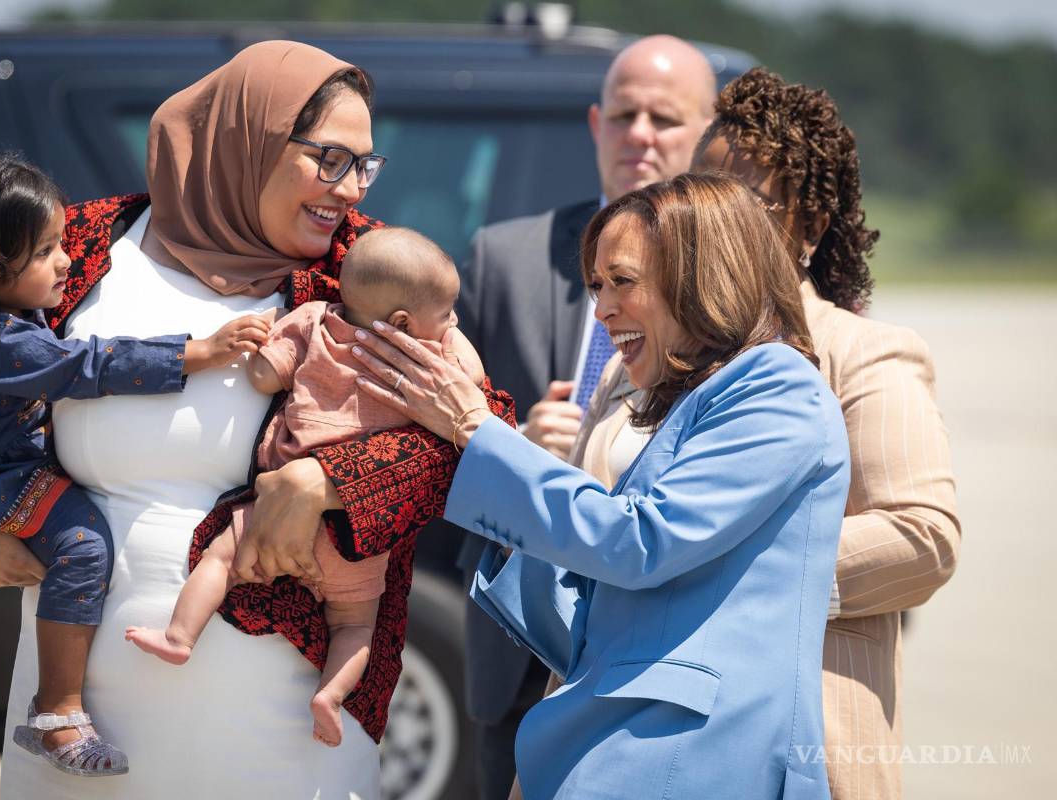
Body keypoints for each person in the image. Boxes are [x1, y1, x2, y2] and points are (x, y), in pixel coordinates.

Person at [0, 41, 511, 799]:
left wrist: (327, 479)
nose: (349, 189)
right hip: (78, 727)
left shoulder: (362, 268)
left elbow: (475, 427)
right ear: (247, 137)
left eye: (364, 165)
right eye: (330, 159)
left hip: (282, 722)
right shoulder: (82, 246)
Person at [349, 172, 850, 798]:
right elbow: (595, 617)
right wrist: (486, 476)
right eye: (595, 286)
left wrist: (478, 432)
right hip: (619, 750)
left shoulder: (777, 386)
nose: (602, 309)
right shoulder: (692, 402)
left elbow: (640, 542)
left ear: (701, 272)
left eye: (623, 282)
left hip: (692, 758)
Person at [0, 152, 272, 778]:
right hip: (1, 482)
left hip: (10, 469)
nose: (66, 260)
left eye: (62, 243)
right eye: (45, 251)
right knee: (82, 546)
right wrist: (198, 353)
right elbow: (86, 365)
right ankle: (58, 714)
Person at [452, 34, 719, 796]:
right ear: (596, 123)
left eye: (664, 118)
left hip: (656, 638)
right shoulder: (504, 257)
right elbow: (437, 436)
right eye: (624, 114)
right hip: (515, 636)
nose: (640, 134)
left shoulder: (730, 282)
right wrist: (514, 449)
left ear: (707, 131)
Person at [689, 67, 960, 800]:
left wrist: (714, 569)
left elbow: (923, 537)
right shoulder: (643, 361)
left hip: (794, 759)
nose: (714, 225)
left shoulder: (862, 354)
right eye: (698, 201)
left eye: (745, 202)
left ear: (808, 224)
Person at [125, 226, 483, 749]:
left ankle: (179, 637)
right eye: (449, 311)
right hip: (354, 528)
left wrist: (261, 345)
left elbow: (262, 378)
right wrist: (450, 337)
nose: (452, 321)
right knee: (357, 626)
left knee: (221, 562)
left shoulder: (315, 321)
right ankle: (330, 696)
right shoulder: (429, 361)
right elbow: (473, 389)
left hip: (270, 509)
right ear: (404, 323)